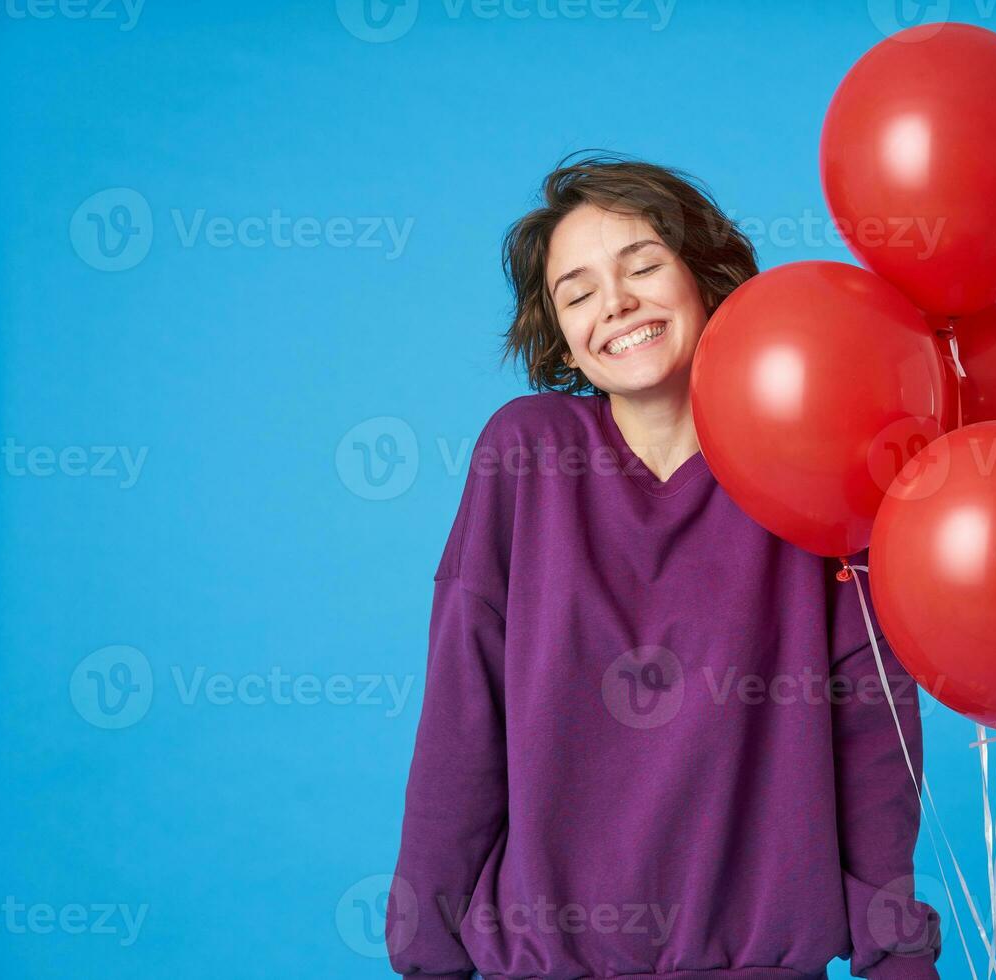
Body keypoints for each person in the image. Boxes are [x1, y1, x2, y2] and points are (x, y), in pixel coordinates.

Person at [386, 153, 941, 980]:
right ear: (562, 334)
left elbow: (872, 725)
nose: (615, 304)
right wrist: (428, 955)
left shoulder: (807, 461)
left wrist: (895, 952)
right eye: (576, 293)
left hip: (758, 963)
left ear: (706, 279)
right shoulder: (527, 453)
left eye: (642, 266)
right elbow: (462, 714)